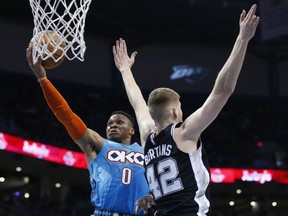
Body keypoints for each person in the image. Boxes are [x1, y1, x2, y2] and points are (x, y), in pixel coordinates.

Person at [113, 4, 260, 216]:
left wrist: (125, 70)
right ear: (174, 111)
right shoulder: (184, 132)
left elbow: (137, 102)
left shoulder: (147, 136)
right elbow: (223, 90)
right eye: (180, 107)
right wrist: (242, 39)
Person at [26, 46, 151, 216]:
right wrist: (42, 79)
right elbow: (67, 116)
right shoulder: (98, 144)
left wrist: (152, 196)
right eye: (109, 123)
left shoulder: (146, 150)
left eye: (120, 122)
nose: (112, 125)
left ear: (132, 131)